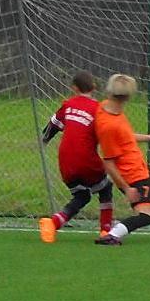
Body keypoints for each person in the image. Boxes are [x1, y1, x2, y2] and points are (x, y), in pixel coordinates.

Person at [93, 74, 150, 245]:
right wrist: (127, 188)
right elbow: (108, 163)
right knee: (145, 217)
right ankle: (112, 236)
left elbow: (125, 137)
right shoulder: (110, 126)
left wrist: (149, 137)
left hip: (141, 170)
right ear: (128, 96)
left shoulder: (105, 107)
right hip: (133, 177)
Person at [38, 71, 113, 242]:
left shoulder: (68, 104)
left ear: (74, 88)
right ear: (94, 87)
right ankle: (106, 230)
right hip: (86, 159)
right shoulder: (98, 109)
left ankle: (53, 223)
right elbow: (106, 134)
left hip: (65, 161)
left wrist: (44, 140)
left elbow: (52, 125)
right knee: (105, 188)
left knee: (82, 196)